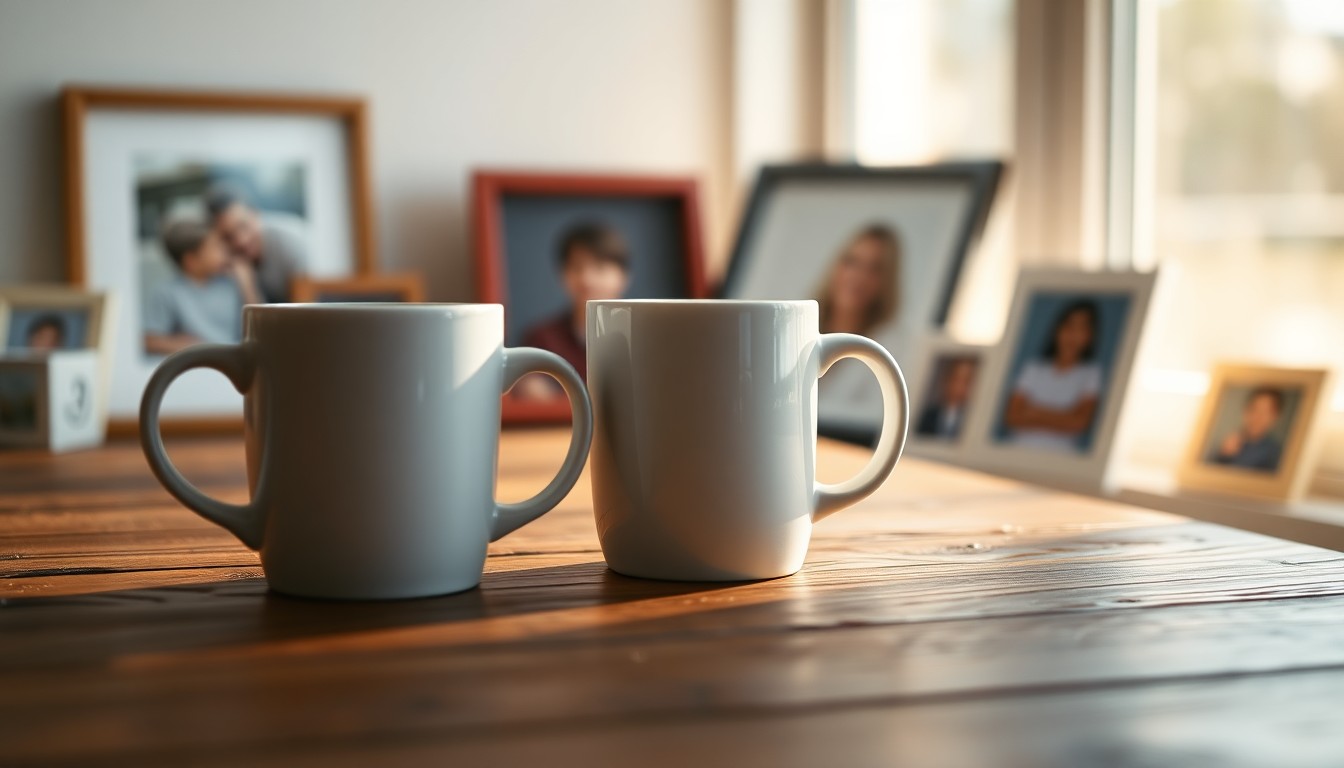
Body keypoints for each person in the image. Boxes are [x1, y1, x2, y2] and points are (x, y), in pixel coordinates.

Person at [516, 223, 630, 400]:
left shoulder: (644, 338)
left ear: (623, 276)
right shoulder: (541, 338)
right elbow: (532, 393)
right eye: (577, 267)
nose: (587, 279)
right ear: (563, 274)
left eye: (600, 268)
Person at [143, 218, 262, 355]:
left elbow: (261, 329)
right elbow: (149, 340)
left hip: (234, 363)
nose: (225, 251)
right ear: (191, 260)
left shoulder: (232, 284)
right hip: (196, 368)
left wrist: (247, 284)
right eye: (215, 247)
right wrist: (184, 346)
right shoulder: (166, 293)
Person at [1001, 300, 1103, 452]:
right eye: (1070, 326)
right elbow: (1013, 416)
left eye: (1081, 328)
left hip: (1060, 459)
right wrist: (1063, 416)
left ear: (1090, 335)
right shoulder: (1034, 368)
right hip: (1016, 450)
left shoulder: (1091, 374)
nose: (1073, 335)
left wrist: (1033, 411)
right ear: (1058, 329)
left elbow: (1079, 423)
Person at [205, 184, 308, 303]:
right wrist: (246, 285)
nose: (241, 240)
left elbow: (305, 310)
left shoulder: (291, 242)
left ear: (257, 214)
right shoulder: (225, 263)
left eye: (243, 226)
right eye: (228, 236)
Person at [814, 224, 901, 338]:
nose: (859, 277)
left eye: (874, 269)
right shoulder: (798, 325)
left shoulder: (892, 344)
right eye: (852, 262)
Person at [1209, 387, 1286, 472]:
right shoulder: (1230, 441)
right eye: (1254, 409)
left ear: (1275, 417)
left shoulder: (1275, 453)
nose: (1258, 417)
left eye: (1265, 412)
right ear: (1246, 411)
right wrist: (1223, 455)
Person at [916, 357, 977, 440]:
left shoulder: (974, 420)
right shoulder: (928, 415)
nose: (960, 387)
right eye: (957, 379)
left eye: (966, 381)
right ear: (948, 381)